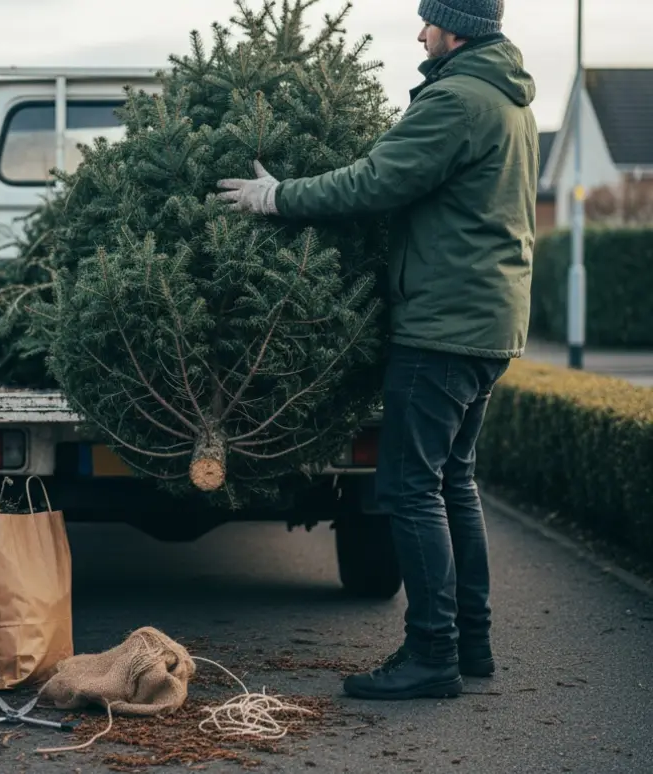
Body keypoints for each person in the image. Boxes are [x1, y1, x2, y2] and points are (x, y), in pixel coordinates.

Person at [215, 0, 537, 701]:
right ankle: (469, 644)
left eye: (429, 21)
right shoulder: (508, 97)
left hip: (444, 326)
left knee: (409, 488)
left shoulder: (457, 100)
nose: (420, 33)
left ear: (457, 29)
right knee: (454, 479)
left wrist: (277, 198)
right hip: (488, 321)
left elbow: (375, 180)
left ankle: (431, 656)